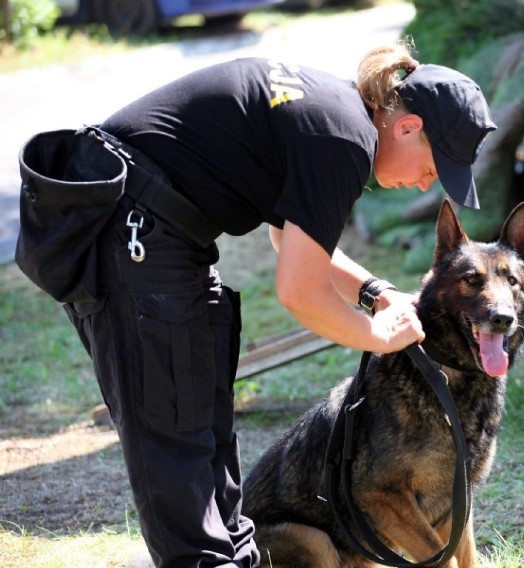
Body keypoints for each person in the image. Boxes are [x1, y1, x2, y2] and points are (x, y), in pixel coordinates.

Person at [30, 38, 496, 567]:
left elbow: (287, 240)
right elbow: (300, 291)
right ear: (408, 127)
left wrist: (376, 293)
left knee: (205, 421)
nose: (423, 185)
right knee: (176, 436)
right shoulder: (342, 138)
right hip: (129, 230)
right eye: (434, 168)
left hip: (161, 234)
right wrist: (376, 336)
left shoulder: (330, 113)